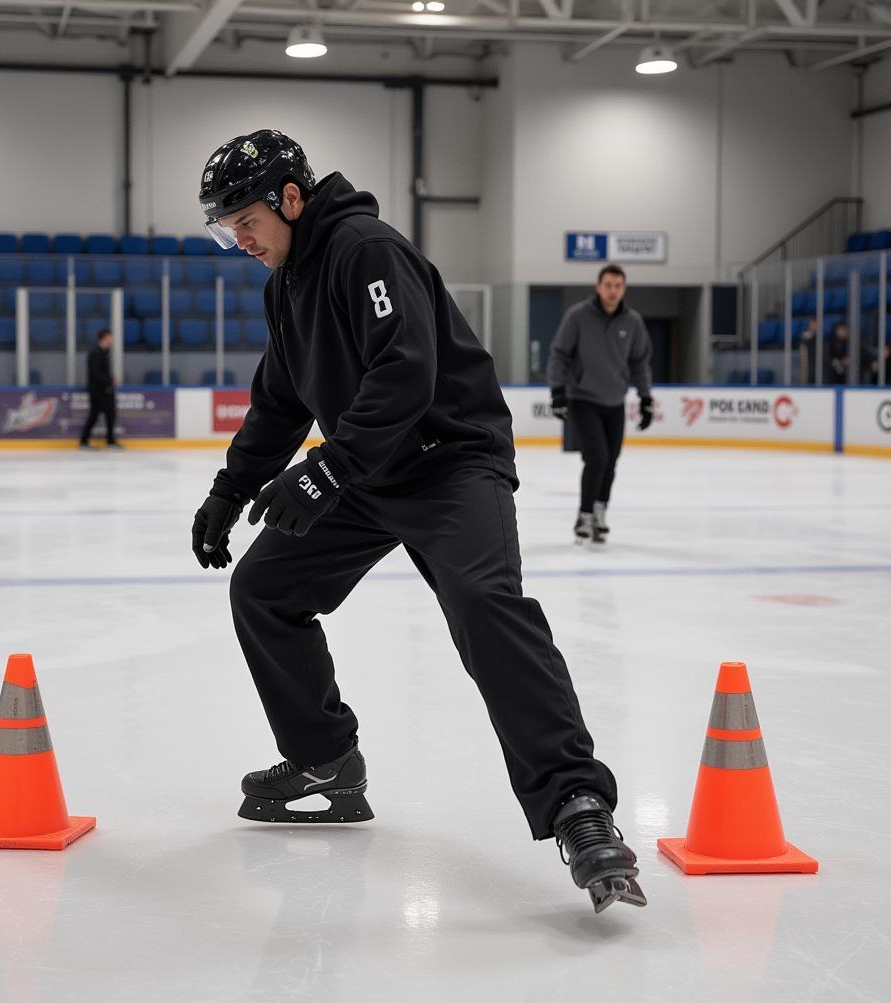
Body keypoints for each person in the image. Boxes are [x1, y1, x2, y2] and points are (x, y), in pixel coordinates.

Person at [190, 129, 645, 914]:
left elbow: (407, 371)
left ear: (290, 199)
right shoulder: (285, 285)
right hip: (370, 471)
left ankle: (577, 803)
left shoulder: (367, 250)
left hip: (449, 461)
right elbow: (280, 401)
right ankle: (325, 761)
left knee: (482, 604)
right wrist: (231, 491)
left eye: (246, 221)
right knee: (264, 588)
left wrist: (330, 466)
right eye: (228, 228)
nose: (241, 239)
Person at [547, 265, 653, 544]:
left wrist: (645, 399)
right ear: (598, 286)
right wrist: (558, 391)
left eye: (618, 285)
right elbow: (559, 354)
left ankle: (599, 511)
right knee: (597, 457)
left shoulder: (633, 322)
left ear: (624, 289)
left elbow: (639, 362)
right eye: (608, 285)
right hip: (583, 398)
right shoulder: (578, 316)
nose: (612, 290)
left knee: (611, 461)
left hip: (615, 401)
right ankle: (583, 516)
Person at [79, 328, 121, 449]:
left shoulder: (104, 352)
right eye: (110, 337)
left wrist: (109, 380)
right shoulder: (96, 353)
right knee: (94, 415)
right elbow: (95, 374)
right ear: (104, 338)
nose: (112, 340)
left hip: (106, 390)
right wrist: (110, 381)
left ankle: (110, 441)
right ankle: (84, 441)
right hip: (98, 391)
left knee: (110, 415)